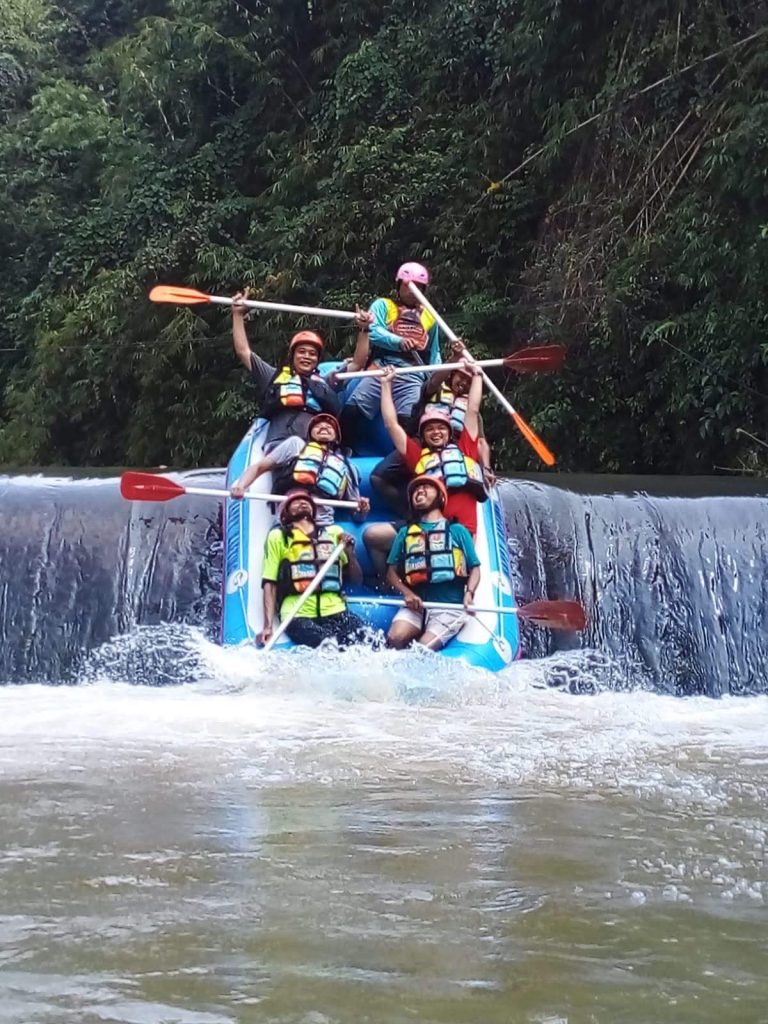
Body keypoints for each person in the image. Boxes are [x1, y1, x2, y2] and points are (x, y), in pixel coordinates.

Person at [364, 362, 488, 575]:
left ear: (449, 433)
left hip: (459, 532)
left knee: (453, 565)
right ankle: (389, 586)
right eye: (430, 429)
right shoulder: (419, 456)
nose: (436, 432)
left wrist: (477, 376)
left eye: (441, 428)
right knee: (372, 536)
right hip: (423, 528)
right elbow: (391, 425)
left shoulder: (466, 449)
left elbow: (473, 410)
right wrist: (386, 384)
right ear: (423, 435)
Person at [232, 289, 372, 453]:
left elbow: (358, 363)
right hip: (281, 446)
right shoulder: (273, 376)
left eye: (312, 354)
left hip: (316, 449)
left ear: (317, 360)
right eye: (302, 352)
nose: (307, 357)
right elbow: (243, 352)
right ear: (292, 356)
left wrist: (364, 330)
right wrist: (237, 315)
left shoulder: (326, 382)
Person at [371, 344, 495, 514]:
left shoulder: (471, 411)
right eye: (461, 377)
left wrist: (486, 468)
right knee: (378, 477)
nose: (463, 383)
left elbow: (480, 441)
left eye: (469, 381)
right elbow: (436, 379)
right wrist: (454, 359)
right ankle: (410, 511)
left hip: (454, 453)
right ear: (452, 375)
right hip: (422, 446)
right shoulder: (434, 389)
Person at [259, 489, 371, 649]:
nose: (303, 502)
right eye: (295, 502)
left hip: (335, 610)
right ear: (286, 513)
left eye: (306, 501)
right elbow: (270, 582)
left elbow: (356, 581)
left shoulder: (334, 534)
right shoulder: (278, 537)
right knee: (329, 646)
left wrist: (349, 553)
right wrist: (268, 626)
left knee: (370, 640)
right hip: (298, 614)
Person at [341, 262, 441, 436]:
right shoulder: (383, 305)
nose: (412, 290)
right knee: (352, 410)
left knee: (410, 420)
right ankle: (338, 446)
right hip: (381, 368)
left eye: (417, 286)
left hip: (413, 373)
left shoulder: (430, 316)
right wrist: (398, 341)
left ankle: (406, 458)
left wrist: (437, 378)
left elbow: (434, 351)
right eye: (408, 285)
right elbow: (373, 331)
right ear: (398, 285)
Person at [385, 476, 481, 650]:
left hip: (449, 607)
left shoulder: (457, 530)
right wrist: (407, 593)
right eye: (415, 490)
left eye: (426, 487)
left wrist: (470, 593)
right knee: (395, 638)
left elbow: (474, 568)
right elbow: (391, 573)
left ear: (440, 497)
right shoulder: (405, 533)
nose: (419, 490)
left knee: (423, 648)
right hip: (417, 605)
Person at [230, 412, 370, 525]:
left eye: (329, 427)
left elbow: (356, 514)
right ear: (310, 434)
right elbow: (259, 467)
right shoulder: (295, 445)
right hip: (290, 517)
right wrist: (241, 486)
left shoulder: (348, 467)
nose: (323, 427)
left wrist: (362, 510)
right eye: (318, 426)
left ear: (336, 437)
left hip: (323, 523)